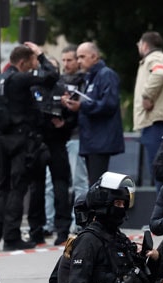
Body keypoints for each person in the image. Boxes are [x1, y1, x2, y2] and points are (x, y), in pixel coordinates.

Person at [0, 42, 58, 251]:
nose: (34, 67)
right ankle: (11, 237)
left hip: (1, 140)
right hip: (19, 140)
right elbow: (52, 77)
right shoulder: (18, 78)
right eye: (32, 63)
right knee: (17, 189)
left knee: (3, 190)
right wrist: (41, 55)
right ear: (23, 62)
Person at [62, 42, 124, 186]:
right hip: (91, 139)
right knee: (94, 184)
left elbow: (109, 104)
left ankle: (99, 209)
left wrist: (82, 105)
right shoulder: (89, 77)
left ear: (94, 56)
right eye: (77, 57)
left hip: (100, 139)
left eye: (82, 57)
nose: (79, 61)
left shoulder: (106, 75)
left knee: (98, 184)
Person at [28, 56, 75, 247]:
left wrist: (64, 123)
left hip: (57, 142)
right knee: (37, 189)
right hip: (38, 143)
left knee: (60, 188)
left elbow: (75, 118)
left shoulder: (65, 90)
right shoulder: (33, 88)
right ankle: (36, 232)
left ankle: (62, 231)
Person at [133, 31, 163, 186]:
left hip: (156, 122)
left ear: (145, 45)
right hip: (162, 121)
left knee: (160, 174)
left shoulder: (154, 59)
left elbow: (159, 74)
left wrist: (147, 96)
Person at [59, 45, 90, 206]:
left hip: (77, 135)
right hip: (60, 136)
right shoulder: (59, 81)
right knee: (55, 183)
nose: (66, 64)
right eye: (63, 60)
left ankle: (78, 221)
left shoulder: (84, 81)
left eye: (69, 60)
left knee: (79, 181)